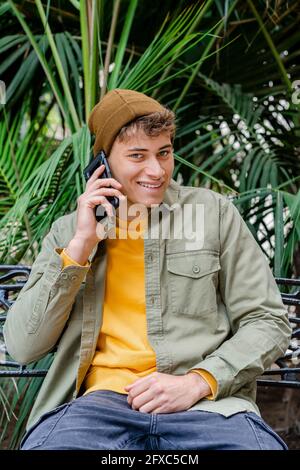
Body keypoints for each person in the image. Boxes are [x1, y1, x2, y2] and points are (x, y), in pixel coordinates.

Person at [4, 89, 291, 451]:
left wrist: (198, 381)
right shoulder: (69, 232)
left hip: (208, 407)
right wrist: (81, 246)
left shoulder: (213, 214)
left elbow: (267, 320)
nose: (156, 171)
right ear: (102, 164)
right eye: (138, 156)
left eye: (164, 153)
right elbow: (23, 346)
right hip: (98, 407)